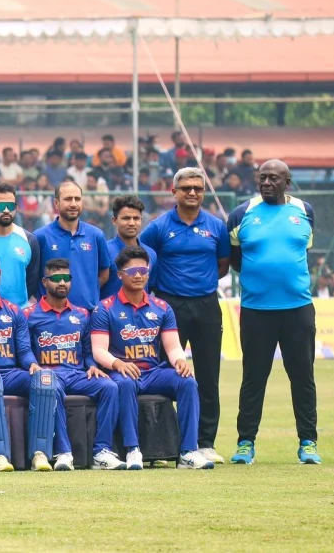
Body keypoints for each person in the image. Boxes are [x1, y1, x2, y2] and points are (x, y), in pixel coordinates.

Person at [227, 160, 320, 465]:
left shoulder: (305, 212)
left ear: (288, 182)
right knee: (253, 378)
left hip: (298, 309)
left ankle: (308, 442)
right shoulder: (241, 214)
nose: (267, 182)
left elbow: (300, 252)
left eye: (274, 178)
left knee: (303, 377)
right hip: (256, 311)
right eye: (262, 177)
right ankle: (245, 443)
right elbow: (237, 261)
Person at [91, 246, 213, 470]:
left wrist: (180, 362)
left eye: (142, 270)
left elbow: (173, 346)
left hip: (153, 372)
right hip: (122, 372)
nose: (138, 275)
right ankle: (133, 450)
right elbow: (99, 351)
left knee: (187, 382)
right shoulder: (104, 308)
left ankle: (188, 451)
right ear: (120, 275)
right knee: (125, 383)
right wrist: (118, 364)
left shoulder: (161, 307)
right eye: (132, 270)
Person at [139, 167, 230, 464]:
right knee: (165, 374)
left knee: (207, 375)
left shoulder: (216, 226)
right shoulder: (158, 227)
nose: (193, 193)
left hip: (206, 305)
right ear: (174, 191)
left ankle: (205, 442)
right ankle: (164, 443)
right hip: (169, 307)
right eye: (187, 188)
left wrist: (198, 285)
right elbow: (143, 264)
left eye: (198, 188)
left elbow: (223, 265)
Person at [0, 253, 71, 472]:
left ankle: (40, 455)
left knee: (45, 379)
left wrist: (32, 365)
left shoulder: (14, 311)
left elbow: (24, 350)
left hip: (12, 373)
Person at [25, 259, 129, 470]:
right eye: (56, 278)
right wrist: (33, 365)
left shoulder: (82, 314)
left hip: (78, 374)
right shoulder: (29, 314)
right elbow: (24, 348)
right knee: (50, 389)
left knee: (110, 387)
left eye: (67, 278)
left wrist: (92, 365)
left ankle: (102, 451)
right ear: (45, 282)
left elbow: (88, 350)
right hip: (49, 374)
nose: (62, 282)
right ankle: (63, 453)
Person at [33, 181, 111, 310]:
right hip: (49, 317)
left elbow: (104, 273)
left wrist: (88, 291)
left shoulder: (96, 235)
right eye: (68, 199)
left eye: (77, 199)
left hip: (88, 314)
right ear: (56, 203)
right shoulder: (40, 237)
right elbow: (32, 277)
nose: (73, 204)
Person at [101, 195, 157, 300]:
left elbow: (151, 287)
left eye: (136, 218)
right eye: (126, 218)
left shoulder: (151, 254)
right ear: (114, 220)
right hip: (110, 315)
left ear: (141, 219)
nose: (131, 223)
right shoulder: (104, 251)